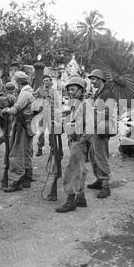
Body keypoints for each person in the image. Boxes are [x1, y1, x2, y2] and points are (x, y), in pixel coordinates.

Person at [56, 76, 90, 213]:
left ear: (81, 90)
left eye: (73, 89)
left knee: (73, 170)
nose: (70, 92)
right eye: (69, 90)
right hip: (74, 140)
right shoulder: (75, 104)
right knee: (80, 170)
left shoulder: (86, 105)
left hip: (79, 141)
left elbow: (90, 127)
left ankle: (70, 200)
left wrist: (81, 141)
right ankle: (81, 198)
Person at [84, 69, 118, 199]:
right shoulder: (99, 93)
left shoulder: (108, 94)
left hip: (103, 127)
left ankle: (105, 185)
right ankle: (99, 179)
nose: (91, 82)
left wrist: (93, 112)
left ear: (100, 79)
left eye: (93, 79)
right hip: (96, 127)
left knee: (101, 156)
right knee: (93, 154)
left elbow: (107, 112)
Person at [1, 71, 36, 193]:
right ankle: (27, 177)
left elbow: (16, 110)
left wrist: (6, 110)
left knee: (16, 153)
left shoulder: (25, 93)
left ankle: (17, 180)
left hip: (22, 125)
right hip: (28, 125)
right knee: (26, 152)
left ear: (18, 82)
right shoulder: (29, 91)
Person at [0, 82, 17, 157]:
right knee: (7, 135)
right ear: (13, 89)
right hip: (8, 117)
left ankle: (6, 150)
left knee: (6, 134)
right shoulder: (12, 97)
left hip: (1, 118)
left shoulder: (2, 96)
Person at [34, 75, 56, 157]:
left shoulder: (54, 91)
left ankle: (53, 148)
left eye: (47, 80)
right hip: (42, 114)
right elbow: (35, 97)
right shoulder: (40, 89)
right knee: (41, 132)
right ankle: (39, 148)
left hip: (51, 114)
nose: (45, 82)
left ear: (50, 81)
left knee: (51, 132)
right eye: (44, 80)